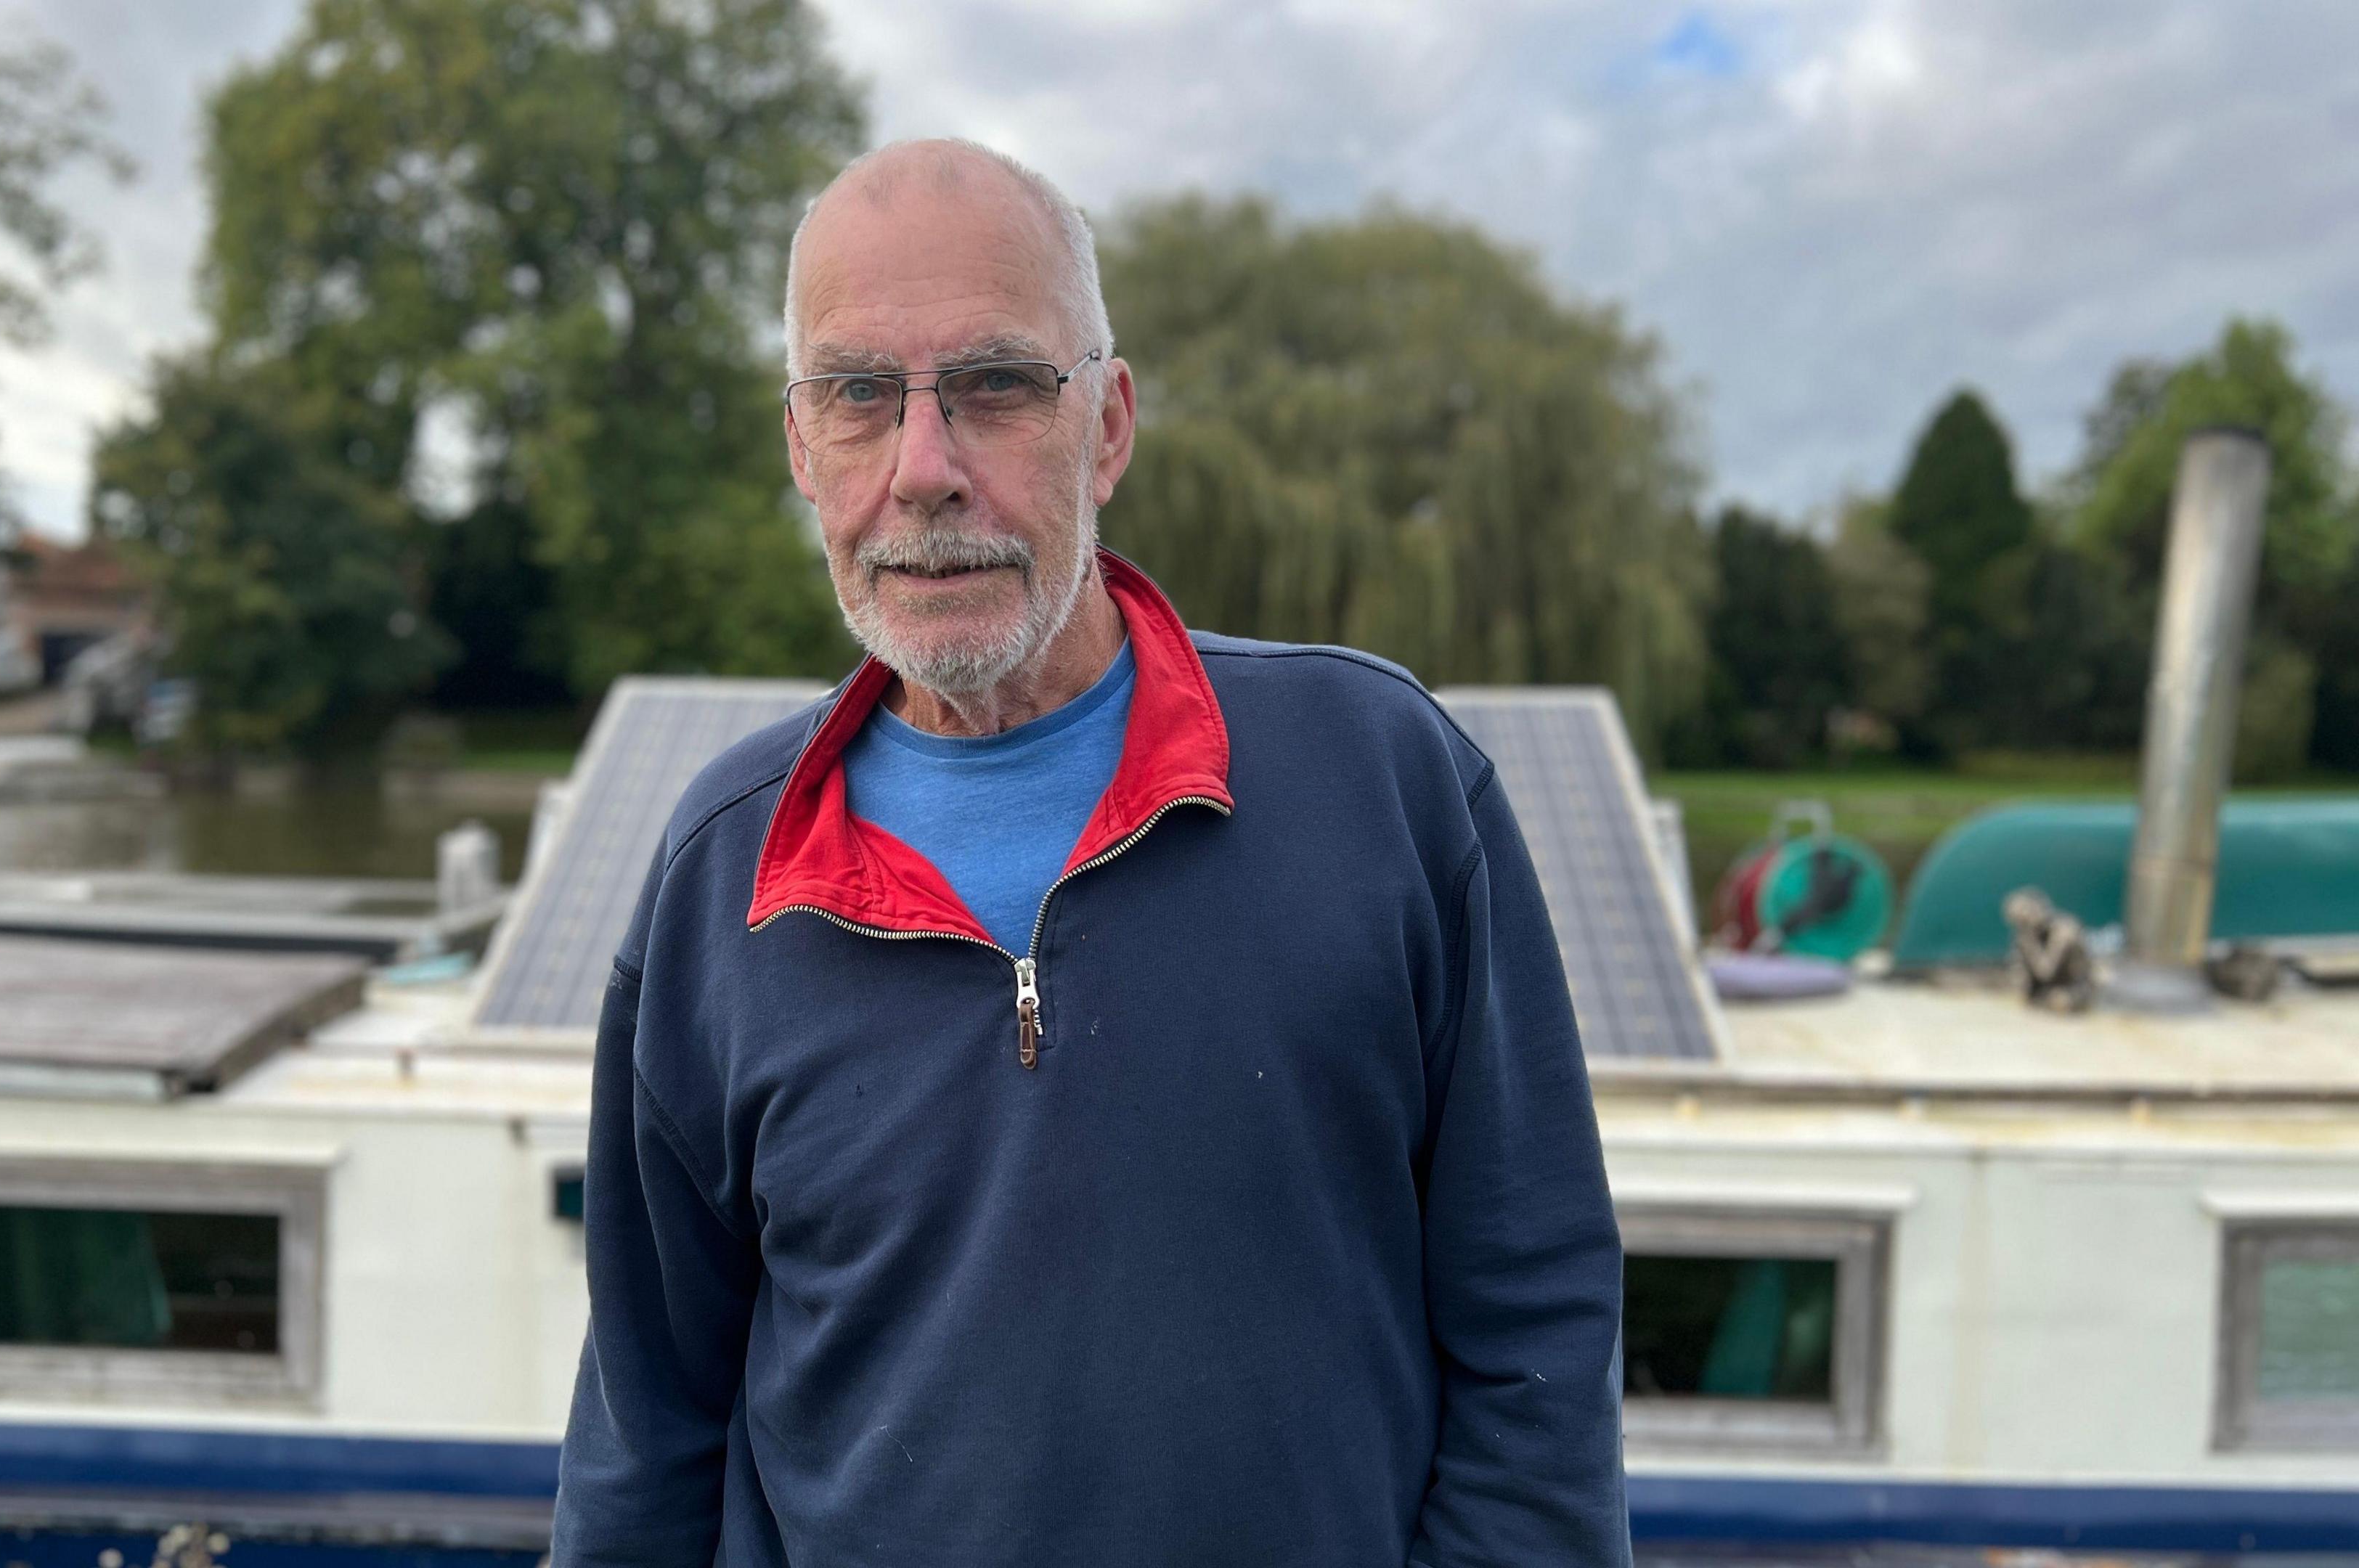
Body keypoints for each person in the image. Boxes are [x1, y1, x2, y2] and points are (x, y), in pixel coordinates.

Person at [550, 138, 1629, 1567]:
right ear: (803, 448)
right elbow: (646, 1436)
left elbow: (1534, 1333)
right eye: (861, 397)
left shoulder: (1383, 781)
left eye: (996, 387)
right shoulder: (722, 876)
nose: (925, 473)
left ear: (1109, 425)